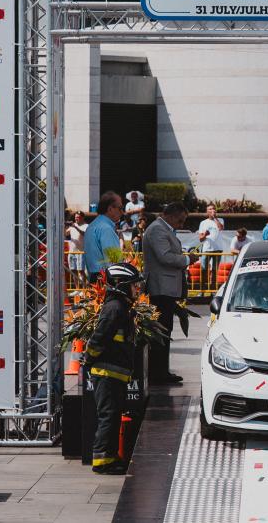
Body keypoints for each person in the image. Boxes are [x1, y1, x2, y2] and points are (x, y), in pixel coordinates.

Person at [84, 262, 144, 475]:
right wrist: (89, 358)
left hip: (115, 373)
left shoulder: (121, 307)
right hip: (107, 373)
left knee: (113, 415)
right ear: (121, 285)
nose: (137, 289)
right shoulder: (114, 308)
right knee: (108, 416)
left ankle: (110, 457)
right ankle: (101, 462)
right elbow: (99, 337)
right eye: (133, 285)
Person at [142, 202, 198, 384]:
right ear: (171, 215)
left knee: (164, 329)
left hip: (165, 287)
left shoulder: (162, 229)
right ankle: (158, 372)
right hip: (160, 288)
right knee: (161, 330)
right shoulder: (158, 229)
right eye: (180, 220)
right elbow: (164, 256)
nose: (181, 225)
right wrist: (186, 259)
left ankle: (161, 370)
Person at [83, 192, 124, 283]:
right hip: (106, 278)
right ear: (110, 209)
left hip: (95, 277)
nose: (122, 212)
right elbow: (114, 261)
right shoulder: (106, 228)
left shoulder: (93, 225)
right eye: (120, 208)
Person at [198, 204, 225, 290]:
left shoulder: (220, 220)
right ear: (207, 212)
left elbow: (220, 228)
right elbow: (200, 239)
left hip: (218, 249)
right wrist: (205, 235)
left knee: (214, 271)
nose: (212, 210)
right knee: (204, 270)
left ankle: (213, 290)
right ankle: (202, 290)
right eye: (210, 209)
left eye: (213, 209)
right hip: (207, 249)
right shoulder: (203, 223)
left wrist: (215, 218)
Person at [65, 211, 89, 281]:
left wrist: (76, 227)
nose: (76, 219)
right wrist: (63, 225)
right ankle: (77, 287)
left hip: (80, 252)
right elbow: (65, 234)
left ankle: (84, 287)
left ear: (83, 218)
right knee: (73, 271)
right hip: (72, 252)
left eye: (78, 217)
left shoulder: (86, 226)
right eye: (75, 217)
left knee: (81, 271)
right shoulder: (72, 226)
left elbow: (84, 233)